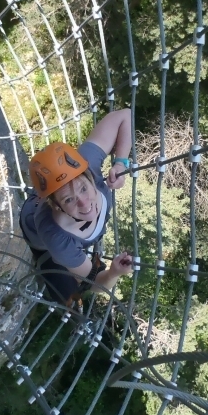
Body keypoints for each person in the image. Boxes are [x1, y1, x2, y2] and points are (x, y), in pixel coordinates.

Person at [19, 109, 134, 306]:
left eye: (83, 188)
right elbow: (95, 284)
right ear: (55, 206)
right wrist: (114, 273)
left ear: (90, 176)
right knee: (69, 297)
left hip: (49, 198)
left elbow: (124, 115)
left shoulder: (85, 166)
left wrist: (121, 163)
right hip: (37, 234)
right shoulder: (56, 237)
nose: (84, 202)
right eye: (69, 200)